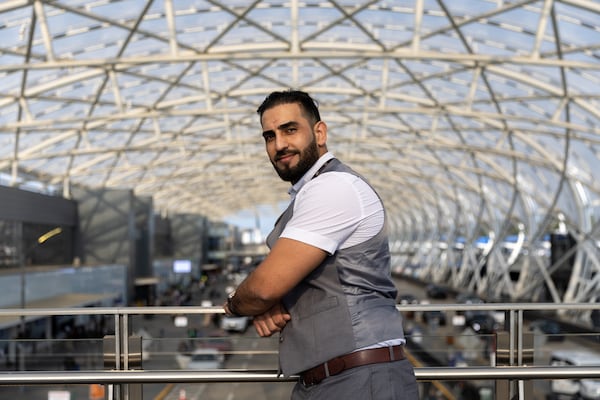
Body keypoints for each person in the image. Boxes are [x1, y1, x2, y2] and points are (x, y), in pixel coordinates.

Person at [223, 90, 418, 399]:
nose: (279, 144)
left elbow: (264, 287)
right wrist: (268, 303)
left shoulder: (333, 187)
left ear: (319, 132)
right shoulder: (313, 191)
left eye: (290, 130)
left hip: (359, 381)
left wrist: (237, 305)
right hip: (332, 380)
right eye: (269, 136)